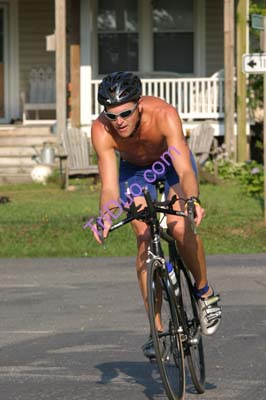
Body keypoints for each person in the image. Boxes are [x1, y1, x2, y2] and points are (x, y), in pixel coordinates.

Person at [91, 71, 222, 358]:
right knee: (143, 236)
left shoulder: (164, 114)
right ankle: (158, 330)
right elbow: (110, 188)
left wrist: (192, 199)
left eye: (125, 113)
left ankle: (204, 294)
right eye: (111, 116)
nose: (119, 122)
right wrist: (105, 216)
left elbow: (186, 169)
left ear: (138, 105)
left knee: (178, 226)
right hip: (135, 172)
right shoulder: (101, 130)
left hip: (170, 162)